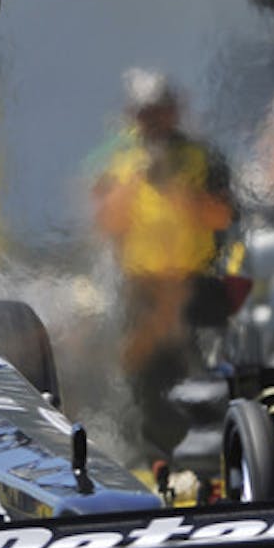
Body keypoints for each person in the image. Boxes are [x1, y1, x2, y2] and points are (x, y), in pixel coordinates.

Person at [90, 70, 235, 464]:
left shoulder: (202, 157)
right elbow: (107, 224)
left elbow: (222, 216)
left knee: (206, 379)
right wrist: (134, 183)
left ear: (174, 111)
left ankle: (214, 462)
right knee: (146, 384)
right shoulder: (119, 162)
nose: (152, 121)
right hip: (143, 291)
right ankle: (155, 463)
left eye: (159, 111)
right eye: (144, 113)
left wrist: (178, 187)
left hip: (196, 288)